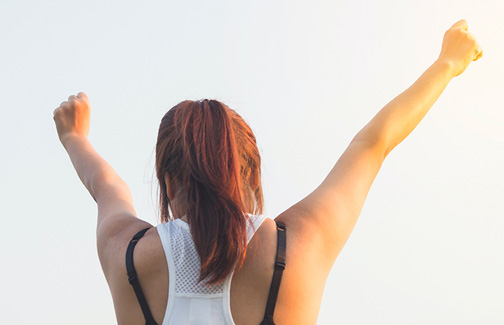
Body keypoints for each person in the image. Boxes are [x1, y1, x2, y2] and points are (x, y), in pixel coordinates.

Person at [53, 19, 482, 325]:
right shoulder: (296, 249)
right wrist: (447, 63)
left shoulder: (128, 255)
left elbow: (106, 185)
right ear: (252, 176)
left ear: (167, 180)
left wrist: (76, 137)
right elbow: (372, 145)